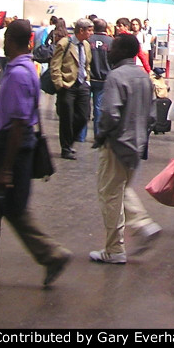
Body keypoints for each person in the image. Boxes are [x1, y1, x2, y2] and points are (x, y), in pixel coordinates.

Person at [0, 20, 72, 296]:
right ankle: (50, 254)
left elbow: (16, 122)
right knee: (13, 210)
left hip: (10, 148)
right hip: (12, 145)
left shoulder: (17, 73)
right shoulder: (27, 69)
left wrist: (4, 167)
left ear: (8, 42)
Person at [90, 33, 161, 263]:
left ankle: (114, 249)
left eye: (113, 47)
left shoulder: (115, 77)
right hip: (136, 143)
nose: (109, 51)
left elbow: (110, 112)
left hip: (116, 143)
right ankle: (142, 224)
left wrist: (103, 134)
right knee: (121, 188)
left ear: (121, 51)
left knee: (110, 194)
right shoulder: (143, 76)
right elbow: (152, 115)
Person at [51, 18, 93, 160]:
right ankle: (66, 147)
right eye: (89, 30)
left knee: (83, 115)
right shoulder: (65, 43)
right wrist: (59, 83)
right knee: (66, 117)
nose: (91, 33)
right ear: (81, 30)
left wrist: (87, 79)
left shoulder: (86, 45)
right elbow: (55, 64)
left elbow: (87, 63)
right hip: (67, 85)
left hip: (82, 84)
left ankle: (70, 140)